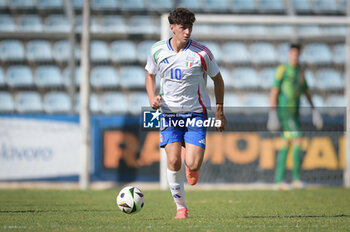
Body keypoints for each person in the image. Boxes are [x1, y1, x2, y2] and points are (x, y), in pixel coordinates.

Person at [145, 8, 226, 219]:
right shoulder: (157, 51)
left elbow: (218, 80)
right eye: (183, 27)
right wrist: (151, 98)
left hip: (195, 114)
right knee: (173, 161)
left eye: (190, 27)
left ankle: (192, 167)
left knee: (193, 163)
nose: (187, 32)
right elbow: (149, 75)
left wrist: (219, 111)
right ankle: (181, 207)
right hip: (169, 114)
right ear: (172, 28)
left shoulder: (202, 53)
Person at [267, 43, 323, 190]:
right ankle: (296, 179)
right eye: (292, 54)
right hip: (285, 111)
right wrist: (272, 112)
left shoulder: (301, 72)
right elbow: (274, 91)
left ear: (299, 55)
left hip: (295, 112)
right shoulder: (282, 70)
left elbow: (306, 91)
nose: (294, 56)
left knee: (286, 143)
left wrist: (314, 110)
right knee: (297, 140)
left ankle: (279, 181)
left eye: (297, 54)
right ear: (288, 54)